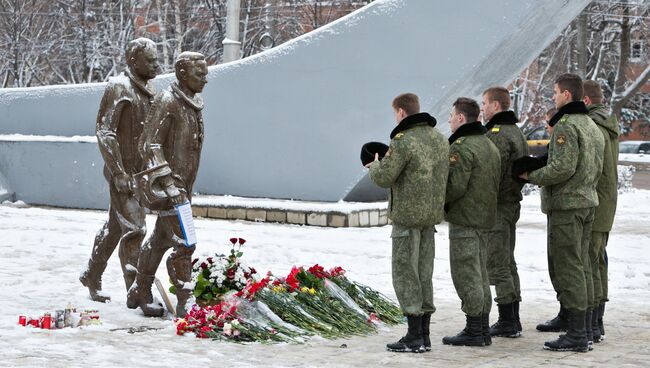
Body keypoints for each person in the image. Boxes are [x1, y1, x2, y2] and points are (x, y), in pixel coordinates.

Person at [520, 73, 604, 352]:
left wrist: (529, 175)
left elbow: (561, 169)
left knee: (569, 267)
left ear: (567, 95)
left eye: (555, 92)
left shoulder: (567, 126)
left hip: (568, 206)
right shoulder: (591, 125)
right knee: (582, 265)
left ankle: (578, 334)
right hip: (586, 202)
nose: (553, 97)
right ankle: (586, 328)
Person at [127, 52, 208, 318]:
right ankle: (186, 299)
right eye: (200, 74)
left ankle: (140, 288)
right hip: (170, 189)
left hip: (184, 187)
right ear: (182, 74)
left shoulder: (193, 103)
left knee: (160, 240)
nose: (206, 79)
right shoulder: (167, 101)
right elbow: (148, 145)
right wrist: (170, 183)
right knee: (186, 242)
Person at [367, 93, 448, 353]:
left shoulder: (402, 141)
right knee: (424, 273)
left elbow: (385, 177)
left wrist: (374, 166)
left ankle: (414, 336)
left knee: (405, 273)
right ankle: (424, 334)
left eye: (395, 113)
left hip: (407, 218)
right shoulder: (440, 138)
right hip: (431, 217)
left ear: (401, 112)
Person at [79, 38, 159, 303]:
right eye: (150, 60)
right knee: (135, 229)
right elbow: (105, 131)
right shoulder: (119, 87)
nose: (156, 64)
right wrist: (118, 171)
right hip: (123, 175)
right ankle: (136, 291)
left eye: (157, 59)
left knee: (116, 227)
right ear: (133, 61)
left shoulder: (149, 90)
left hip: (142, 175)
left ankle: (92, 273)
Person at [442, 97, 500, 347]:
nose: (449, 120)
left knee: (467, 274)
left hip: (465, 218)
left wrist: (437, 199)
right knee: (479, 273)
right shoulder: (489, 144)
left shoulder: (462, 147)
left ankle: (475, 329)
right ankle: (482, 327)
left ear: (461, 118)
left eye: (452, 115)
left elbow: (454, 187)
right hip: (484, 218)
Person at [481, 87, 528, 338]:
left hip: (499, 205)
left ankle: (507, 320)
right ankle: (513, 318)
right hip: (510, 203)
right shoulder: (515, 130)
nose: (483, 109)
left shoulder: (497, 134)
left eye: (485, 104)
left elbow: (492, 172)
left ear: (497, 105)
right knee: (508, 262)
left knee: (498, 263)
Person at [583, 80, 619, 343]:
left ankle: (592, 324)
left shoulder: (593, 126)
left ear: (584, 101)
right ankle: (595, 322)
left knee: (590, 262)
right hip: (605, 201)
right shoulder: (606, 122)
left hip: (596, 202)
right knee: (597, 261)